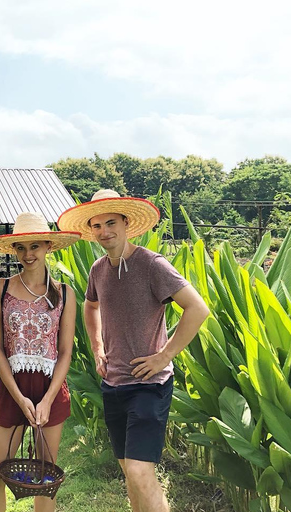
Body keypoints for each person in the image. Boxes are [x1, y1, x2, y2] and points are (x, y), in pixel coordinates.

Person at [58, 189, 210, 512]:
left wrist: (164, 356)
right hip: (113, 385)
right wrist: (98, 348)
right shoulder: (98, 270)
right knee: (130, 470)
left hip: (149, 385)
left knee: (141, 472)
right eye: (97, 226)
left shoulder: (152, 265)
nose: (104, 232)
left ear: (126, 222)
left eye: (111, 223)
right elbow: (90, 307)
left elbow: (197, 308)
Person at [0, 212, 79, 512]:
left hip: (51, 390)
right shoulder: (1, 289)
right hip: (13, 390)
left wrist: (49, 399)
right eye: (21, 247)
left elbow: (65, 352)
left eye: (34, 246)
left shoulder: (64, 293)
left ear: (48, 246)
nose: (28, 254)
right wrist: (18, 396)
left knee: (44, 479)